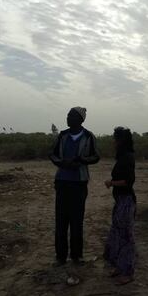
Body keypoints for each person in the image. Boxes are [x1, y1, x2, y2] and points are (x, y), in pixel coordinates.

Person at [49, 107, 100, 266]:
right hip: (62, 181)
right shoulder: (62, 135)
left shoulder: (88, 136)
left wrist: (82, 161)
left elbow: (96, 156)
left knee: (77, 220)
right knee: (61, 220)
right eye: (67, 115)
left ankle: (76, 256)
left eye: (71, 116)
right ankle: (61, 257)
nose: (68, 118)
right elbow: (53, 154)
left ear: (80, 119)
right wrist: (61, 163)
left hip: (79, 182)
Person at [103, 127, 136, 286]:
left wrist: (111, 183)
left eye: (115, 138)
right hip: (121, 200)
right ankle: (119, 267)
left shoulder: (128, 157)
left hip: (126, 201)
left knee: (126, 237)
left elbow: (128, 181)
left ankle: (127, 272)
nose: (113, 141)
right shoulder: (123, 156)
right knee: (117, 234)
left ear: (120, 141)